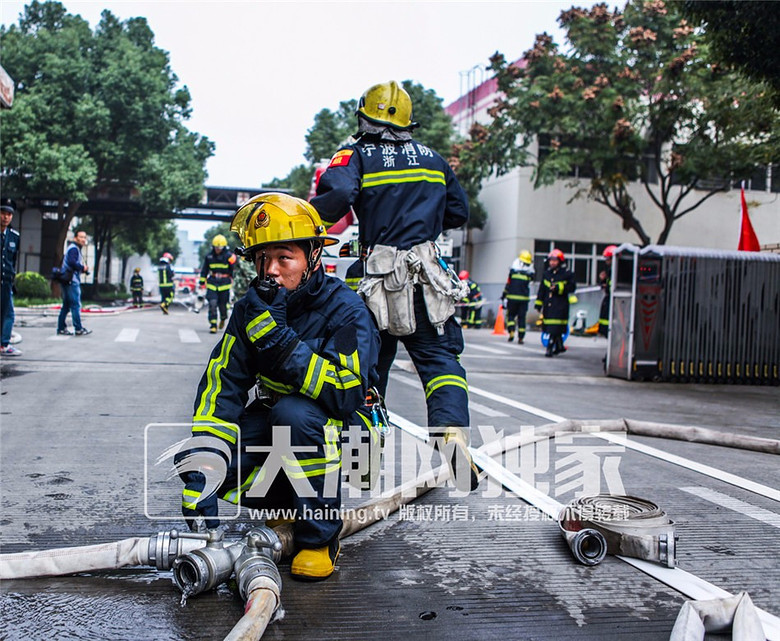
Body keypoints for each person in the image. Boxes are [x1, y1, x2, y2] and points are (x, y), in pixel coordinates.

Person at [177, 192, 380, 580]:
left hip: (345, 432)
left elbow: (346, 392)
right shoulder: (251, 309)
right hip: (283, 425)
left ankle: (319, 538)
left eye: (284, 258)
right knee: (206, 459)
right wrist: (204, 462)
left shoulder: (346, 309)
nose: (271, 270)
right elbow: (222, 386)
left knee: (294, 414)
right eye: (262, 259)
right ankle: (289, 505)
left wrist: (282, 345)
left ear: (312, 258)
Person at [310, 80, 478, 492]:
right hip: (427, 279)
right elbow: (459, 210)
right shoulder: (433, 158)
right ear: (407, 122)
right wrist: (420, 222)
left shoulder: (356, 154)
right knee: (440, 360)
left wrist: (308, 224)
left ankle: (362, 459)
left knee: (365, 370)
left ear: (364, 117)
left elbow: (339, 194)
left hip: (378, 281)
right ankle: (451, 432)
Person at [535, 248, 576, 357]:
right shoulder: (546, 274)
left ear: (560, 261)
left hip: (560, 305)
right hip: (548, 304)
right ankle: (559, 346)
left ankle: (549, 347)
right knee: (550, 327)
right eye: (551, 260)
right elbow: (542, 290)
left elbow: (572, 287)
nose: (552, 262)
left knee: (555, 327)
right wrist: (538, 303)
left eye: (555, 260)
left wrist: (559, 287)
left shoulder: (567, 274)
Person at [199, 234, 237, 333]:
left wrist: (235, 280)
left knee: (222, 306)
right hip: (212, 283)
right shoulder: (209, 256)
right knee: (212, 304)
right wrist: (202, 281)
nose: (217, 249)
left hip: (224, 285)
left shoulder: (229, 257)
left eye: (219, 247)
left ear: (224, 247)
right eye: (216, 247)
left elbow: (234, 270)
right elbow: (205, 269)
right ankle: (213, 325)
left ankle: (223, 318)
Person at [56, 229, 92, 336]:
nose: (83, 239)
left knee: (66, 305)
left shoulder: (74, 248)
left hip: (68, 280)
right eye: (81, 237)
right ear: (75, 238)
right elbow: (72, 263)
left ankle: (61, 328)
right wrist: (83, 268)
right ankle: (78, 328)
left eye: (84, 237)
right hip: (72, 281)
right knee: (76, 305)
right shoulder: (74, 249)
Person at [1, 198, 22, 356]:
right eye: (3, 213)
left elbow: (13, 260)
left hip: (6, 282)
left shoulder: (14, 236)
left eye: (9, 214)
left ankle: (3, 344)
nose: (5, 217)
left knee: (8, 313)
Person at [501, 250, 535, 344]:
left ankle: (511, 331)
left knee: (511, 316)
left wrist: (504, 295)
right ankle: (521, 337)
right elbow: (531, 280)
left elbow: (508, 284)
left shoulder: (512, 272)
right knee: (522, 318)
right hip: (523, 300)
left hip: (512, 298)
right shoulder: (529, 274)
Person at [598, 245, 617, 337]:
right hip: (609, 301)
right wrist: (603, 281)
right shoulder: (610, 271)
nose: (606, 261)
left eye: (608, 259)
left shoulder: (617, 270)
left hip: (614, 302)